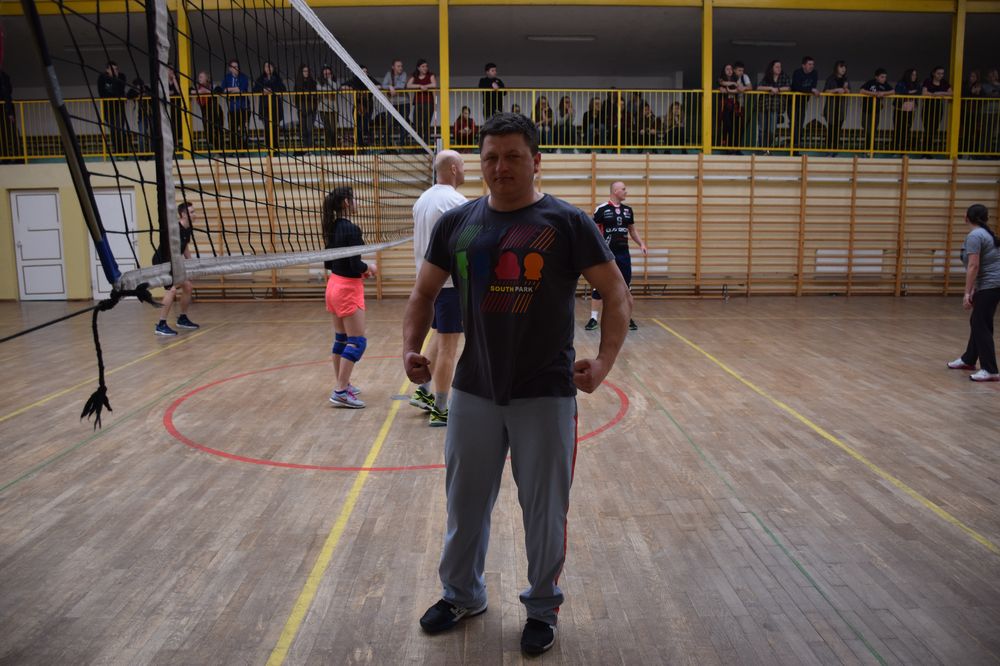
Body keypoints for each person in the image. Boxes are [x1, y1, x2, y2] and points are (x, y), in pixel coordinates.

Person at [403, 112, 631, 655]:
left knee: (545, 512)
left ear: (536, 161)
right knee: (464, 504)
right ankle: (462, 595)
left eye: (512, 156)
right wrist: (410, 347)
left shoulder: (567, 222)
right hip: (473, 390)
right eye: (490, 157)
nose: (500, 167)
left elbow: (616, 293)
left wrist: (604, 361)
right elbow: (423, 293)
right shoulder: (458, 223)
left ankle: (542, 608)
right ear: (478, 163)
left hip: (545, 392)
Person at [409, 150, 468, 426]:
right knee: (449, 348)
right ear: (454, 169)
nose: (466, 170)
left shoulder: (422, 199)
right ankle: (441, 409)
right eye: (463, 165)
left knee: (439, 336)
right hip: (449, 284)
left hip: (428, 284)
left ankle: (423, 392)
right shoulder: (456, 202)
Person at [324, 186, 377, 408]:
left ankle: (342, 384)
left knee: (341, 339)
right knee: (357, 341)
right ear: (347, 202)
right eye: (354, 199)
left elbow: (329, 262)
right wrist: (369, 268)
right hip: (347, 289)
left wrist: (360, 270)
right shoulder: (352, 229)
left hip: (333, 285)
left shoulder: (332, 226)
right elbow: (355, 265)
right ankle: (340, 391)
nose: (357, 203)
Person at [947, 204, 1000, 381]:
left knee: (980, 324)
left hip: (989, 285)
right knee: (978, 322)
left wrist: (967, 293)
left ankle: (990, 369)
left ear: (966, 217)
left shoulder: (975, 236)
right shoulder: (986, 234)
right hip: (991, 285)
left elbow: (973, 265)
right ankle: (969, 359)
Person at [585, 181, 646, 331]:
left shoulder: (628, 210)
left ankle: (627, 317)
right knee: (600, 285)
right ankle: (593, 318)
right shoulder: (601, 209)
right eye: (623, 189)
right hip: (606, 255)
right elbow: (593, 231)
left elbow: (632, 230)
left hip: (623, 254)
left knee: (626, 287)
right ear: (615, 191)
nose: (626, 192)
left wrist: (641, 244)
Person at [152, 202, 200, 336]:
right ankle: (161, 324)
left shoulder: (187, 228)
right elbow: (172, 252)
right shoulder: (175, 229)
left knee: (188, 286)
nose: (195, 214)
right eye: (192, 212)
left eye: (194, 211)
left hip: (173, 263)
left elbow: (184, 247)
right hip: (162, 262)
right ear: (183, 214)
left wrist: (192, 265)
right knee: (171, 290)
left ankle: (182, 318)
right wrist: (183, 268)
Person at [757, 60, 790, 151]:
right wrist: (770, 88)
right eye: (777, 67)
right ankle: (762, 148)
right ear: (772, 68)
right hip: (764, 105)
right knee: (762, 128)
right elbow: (759, 87)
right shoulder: (767, 77)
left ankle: (768, 148)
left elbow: (788, 88)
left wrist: (777, 90)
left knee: (772, 129)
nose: (779, 68)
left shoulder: (784, 76)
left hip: (775, 106)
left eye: (780, 67)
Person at [859, 68, 894, 153]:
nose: (884, 79)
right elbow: (861, 91)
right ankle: (867, 148)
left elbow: (893, 91)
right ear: (876, 77)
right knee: (867, 128)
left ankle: (871, 149)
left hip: (876, 111)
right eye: (882, 77)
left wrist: (883, 93)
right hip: (866, 110)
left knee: (873, 130)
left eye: (885, 77)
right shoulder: (870, 82)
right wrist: (874, 94)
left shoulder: (885, 84)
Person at [97, 61, 129, 154]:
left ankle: (124, 152)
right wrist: (114, 93)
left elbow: (120, 90)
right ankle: (118, 152)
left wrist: (115, 79)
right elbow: (102, 94)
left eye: (116, 69)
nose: (114, 71)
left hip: (119, 108)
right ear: (107, 70)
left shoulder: (121, 76)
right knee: (113, 131)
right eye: (112, 69)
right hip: (107, 109)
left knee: (120, 130)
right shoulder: (102, 78)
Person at [254, 61, 285, 151]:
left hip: (276, 107)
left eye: (270, 66)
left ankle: (275, 148)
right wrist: (263, 90)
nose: (268, 68)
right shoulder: (260, 79)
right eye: (266, 67)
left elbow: (283, 88)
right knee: (267, 128)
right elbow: (254, 89)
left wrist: (272, 90)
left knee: (275, 128)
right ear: (264, 68)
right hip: (265, 107)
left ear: (273, 68)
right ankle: (269, 149)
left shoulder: (278, 78)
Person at [790, 56, 820, 152]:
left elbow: (813, 86)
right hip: (792, 102)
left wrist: (810, 90)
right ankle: (793, 148)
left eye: (813, 64)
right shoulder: (797, 73)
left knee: (800, 125)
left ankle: (796, 148)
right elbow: (796, 87)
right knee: (794, 124)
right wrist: (810, 90)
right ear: (803, 65)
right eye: (809, 64)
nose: (812, 66)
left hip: (803, 102)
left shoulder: (814, 73)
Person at [342, 64, 377, 147]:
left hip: (368, 106)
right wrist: (349, 88)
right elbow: (343, 86)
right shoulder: (355, 79)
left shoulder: (370, 79)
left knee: (365, 126)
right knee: (357, 127)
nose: (365, 73)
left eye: (366, 72)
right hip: (357, 106)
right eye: (363, 71)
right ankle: (360, 145)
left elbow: (379, 85)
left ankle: (370, 142)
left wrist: (374, 87)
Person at [922, 66, 952, 153]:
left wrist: (939, 93)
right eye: (938, 73)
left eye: (942, 73)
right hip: (928, 108)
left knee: (933, 130)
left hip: (938, 109)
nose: (940, 75)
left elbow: (951, 93)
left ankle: (929, 151)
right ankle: (925, 152)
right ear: (933, 73)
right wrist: (934, 94)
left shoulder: (944, 82)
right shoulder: (928, 81)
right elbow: (924, 93)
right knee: (927, 130)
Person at [822, 60, 850, 154]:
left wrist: (845, 89)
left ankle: (835, 150)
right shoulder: (830, 78)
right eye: (841, 67)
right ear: (836, 68)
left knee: (838, 130)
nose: (843, 69)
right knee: (831, 129)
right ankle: (828, 149)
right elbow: (825, 91)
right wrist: (836, 90)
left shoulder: (846, 79)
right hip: (831, 108)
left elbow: (849, 91)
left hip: (841, 108)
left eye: (845, 67)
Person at [222, 59, 250, 149]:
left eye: (237, 67)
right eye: (233, 67)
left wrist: (230, 89)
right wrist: (235, 89)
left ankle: (244, 149)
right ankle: (233, 149)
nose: (236, 68)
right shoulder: (227, 78)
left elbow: (241, 89)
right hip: (232, 109)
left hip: (244, 108)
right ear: (230, 68)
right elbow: (223, 90)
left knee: (243, 130)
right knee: (232, 130)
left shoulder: (244, 77)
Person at [407, 59, 437, 145]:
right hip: (418, 103)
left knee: (426, 124)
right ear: (418, 68)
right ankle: (419, 144)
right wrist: (420, 86)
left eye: (426, 66)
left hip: (429, 103)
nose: (425, 68)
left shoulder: (430, 75)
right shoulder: (415, 76)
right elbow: (408, 85)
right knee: (417, 124)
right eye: (423, 66)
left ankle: (426, 144)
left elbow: (434, 84)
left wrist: (425, 86)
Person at [382, 59, 411, 146]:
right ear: (393, 67)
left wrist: (391, 87)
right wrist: (390, 87)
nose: (400, 68)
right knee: (389, 123)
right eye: (398, 66)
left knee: (403, 123)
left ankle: (403, 144)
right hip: (392, 103)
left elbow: (401, 86)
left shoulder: (404, 74)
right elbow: (383, 85)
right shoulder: (388, 74)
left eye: (401, 66)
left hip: (404, 103)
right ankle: (386, 144)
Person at [194, 71, 224, 151]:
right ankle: (216, 147)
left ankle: (220, 150)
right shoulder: (198, 88)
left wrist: (207, 91)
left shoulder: (212, 86)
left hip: (216, 112)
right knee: (208, 133)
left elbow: (219, 90)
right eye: (199, 77)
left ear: (206, 78)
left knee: (218, 131)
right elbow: (189, 90)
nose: (199, 78)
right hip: (205, 114)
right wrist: (199, 92)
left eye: (201, 77)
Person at [893, 68, 920, 153]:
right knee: (898, 129)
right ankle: (895, 149)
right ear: (908, 75)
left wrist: (909, 92)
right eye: (912, 74)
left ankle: (903, 149)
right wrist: (910, 92)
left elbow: (919, 92)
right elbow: (898, 91)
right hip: (900, 110)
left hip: (911, 110)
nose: (914, 76)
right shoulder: (901, 83)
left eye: (915, 75)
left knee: (907, 129)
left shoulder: (916, 84)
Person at [295, 63, 318, 150]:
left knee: (309, 129)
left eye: (307, 71)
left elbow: (315, 97)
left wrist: (313, 107)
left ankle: (310, 148)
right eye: (304, 71)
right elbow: (296, 97)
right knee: (303, 130)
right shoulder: (297, 83)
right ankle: (305, 149)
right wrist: (298, 107)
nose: (306, 72)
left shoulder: (313, 82)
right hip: (301, 109)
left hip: (311, 109)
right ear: (301, 72)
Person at [317, 65, 339, 149]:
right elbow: (319, 89)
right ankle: (328, 147)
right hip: (323, 109)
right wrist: (329, 89)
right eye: (325, 74)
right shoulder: (319, 82)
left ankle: (334, 147)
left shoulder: (334, 82)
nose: (327, 75)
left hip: (334, 109)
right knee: (327, 129)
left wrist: (329, 80)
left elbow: (336, 88)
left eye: (329, 73)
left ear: (331, 74)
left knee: (333, 130)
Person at [0, 68, 17, 162]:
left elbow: (7, 93)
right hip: (6, 107)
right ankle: (6, 157)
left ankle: (16, 157)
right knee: (6, 134)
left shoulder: (3, 77)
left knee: (10, 133)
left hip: (6, 108)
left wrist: (10, 112)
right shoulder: (4, 76)